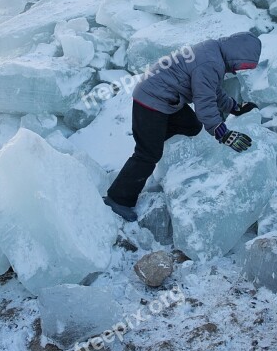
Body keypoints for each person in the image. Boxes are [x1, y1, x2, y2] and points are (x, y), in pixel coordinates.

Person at [103, 32, 262, 222]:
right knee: (148, 154)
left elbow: (212, 89)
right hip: (152, 99)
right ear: (237, 54)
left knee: (192, 125)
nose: (240, 70)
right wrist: (223, 133)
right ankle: (118, 198)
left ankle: (151, 137)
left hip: (166, 97)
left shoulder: (213, 52)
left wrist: (234, 108)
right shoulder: (210, 63)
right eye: (243, 65)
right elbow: (205, 104)